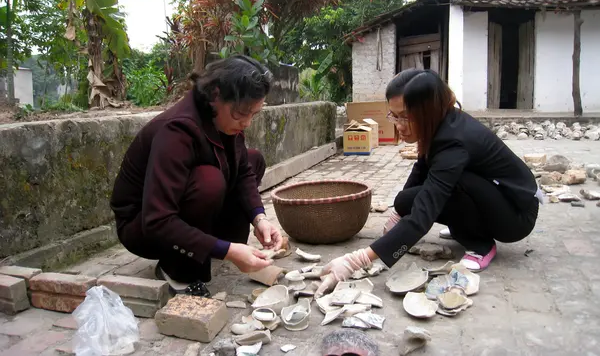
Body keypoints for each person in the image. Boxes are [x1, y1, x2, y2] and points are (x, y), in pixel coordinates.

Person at [316, 69, 541, 296]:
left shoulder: (454, 141)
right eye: (394, 116)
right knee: (406, 200)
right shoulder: (440, 123)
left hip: (515, 215)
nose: (399, 126)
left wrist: (355, 260)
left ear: (427, 112)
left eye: (405, 116)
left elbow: (424, 213)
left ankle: (481, 244)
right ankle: (464, 225)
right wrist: (398, 214)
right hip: (489, 195)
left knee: (450, 185)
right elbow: (421, 169)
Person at [110, 55, 284, 297]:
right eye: (241, 114)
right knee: (208, 181)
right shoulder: (176, 130)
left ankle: (215, 245)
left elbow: (243, 169)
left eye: (253, 114)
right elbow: (157, 219)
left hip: (178, 211)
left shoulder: (223, 118)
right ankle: (176, 269)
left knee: (252, 158)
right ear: (215, 95)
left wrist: (259, 219)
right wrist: (229, 251)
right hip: (143, 226)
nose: (246, 123)